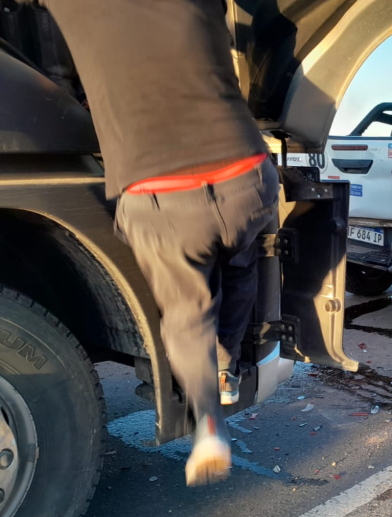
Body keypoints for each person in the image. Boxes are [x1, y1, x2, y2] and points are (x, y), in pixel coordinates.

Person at [43, 0, 279, 485]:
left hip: (161, 193)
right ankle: (227, 366)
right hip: (245, 175)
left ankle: (209, 423)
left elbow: (56, 79)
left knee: (187, 312)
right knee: (241, 263)